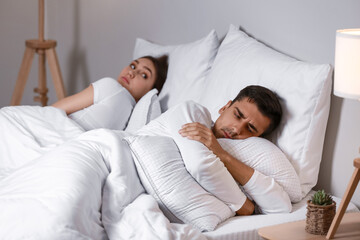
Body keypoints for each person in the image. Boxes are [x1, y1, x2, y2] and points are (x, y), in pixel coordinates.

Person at [178, 85, 283, 216]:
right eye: (237, 115)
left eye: (250, 129)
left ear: (258, 138)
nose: (237, 129)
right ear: (225, 107)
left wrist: (222, 154)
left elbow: (280, 208)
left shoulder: (248, 162)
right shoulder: (192, 120)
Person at [52, 55, 168, 131]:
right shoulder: (128, 121)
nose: (131, 73)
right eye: (133, 66)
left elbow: (55, 109)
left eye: (144, 75)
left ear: (151, 90)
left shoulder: (111, 86)